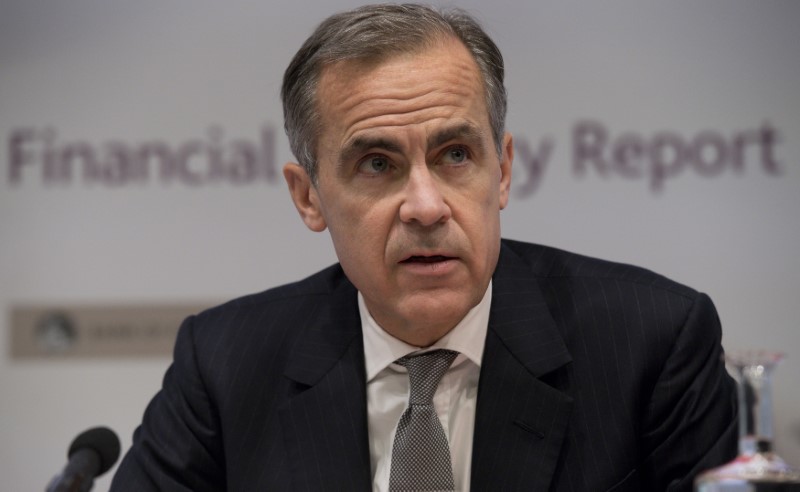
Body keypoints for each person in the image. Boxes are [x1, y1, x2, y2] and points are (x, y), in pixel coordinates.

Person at [111, 4, 737, 491]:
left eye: (456, 155)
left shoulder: (652, 343)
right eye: (377, 164)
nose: (427, 206)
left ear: (504, 172)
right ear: (309, 198)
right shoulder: (223, 365)